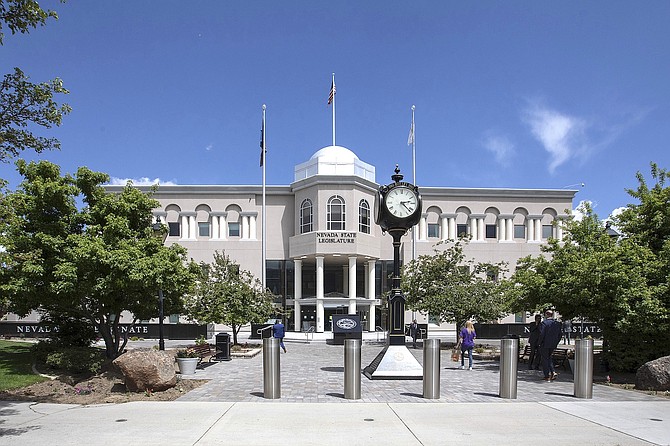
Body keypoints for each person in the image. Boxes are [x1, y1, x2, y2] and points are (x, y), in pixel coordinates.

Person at [538, 310, 562, 381]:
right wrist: (556, 342)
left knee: (545, 359)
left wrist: (539, 342)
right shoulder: (557, 323)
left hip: (544, 344)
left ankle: (546, 375)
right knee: (549, 358)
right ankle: (553, 372)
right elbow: (560, 334)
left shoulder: (544, 323)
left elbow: (542, 334)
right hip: (553, 344)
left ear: (546, 314)